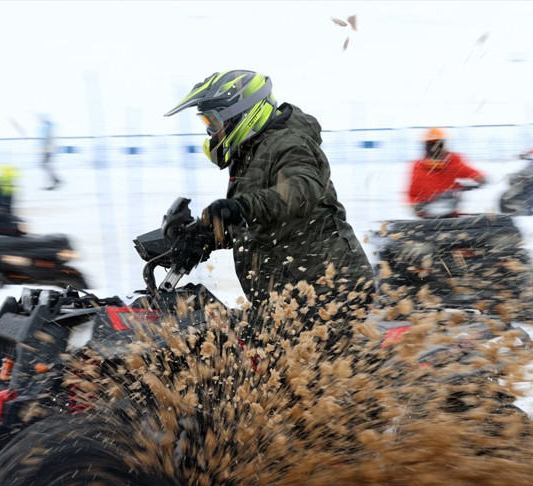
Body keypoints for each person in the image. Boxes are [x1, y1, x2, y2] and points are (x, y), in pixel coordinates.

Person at [164, 70, 374, 340]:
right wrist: (204, 236)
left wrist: (239, 207)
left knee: (239, 357)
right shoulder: (253, 153)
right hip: (289, 297)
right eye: (207, 122)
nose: (211, 131)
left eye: (214, 120)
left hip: (328, 291)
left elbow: (301, 190)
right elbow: (260, 219)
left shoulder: (289, 143)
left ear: (242, 112)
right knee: (208, 329)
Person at [406, 128, 488, 218]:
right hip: (429, 213)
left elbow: (467, 170)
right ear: (426, 147)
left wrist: (479, 177)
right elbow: (412, 194)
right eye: (431, 145)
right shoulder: (418, 166)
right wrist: (416, 206)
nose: (435, 149)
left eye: (438, 145)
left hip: (450, 209)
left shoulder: (452, 160)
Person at [39, 114, 62, 190]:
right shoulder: (48, 127)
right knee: (46, 166)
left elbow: (49, 140)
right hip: (49, 150)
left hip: (49, 150)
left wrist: (46, 149)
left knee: (46, 165)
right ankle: (56, 180)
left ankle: (55, 181)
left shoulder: (49, 127)